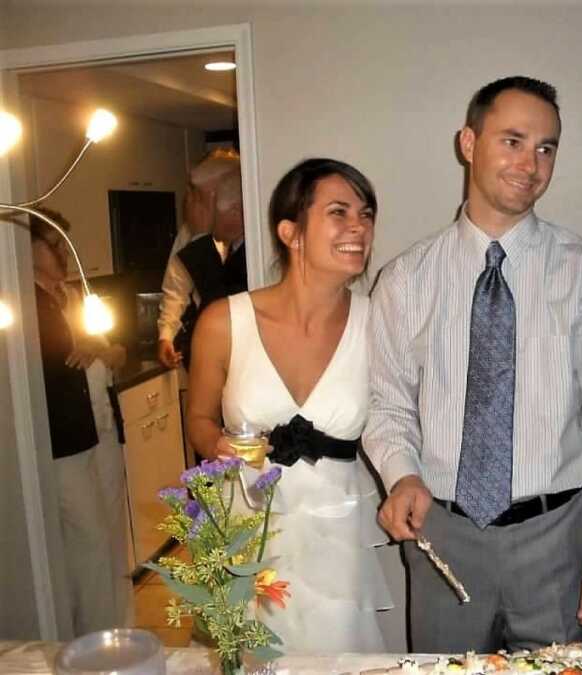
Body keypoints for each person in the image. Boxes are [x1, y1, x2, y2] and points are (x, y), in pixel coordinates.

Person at [364, 76, 582, 653]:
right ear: (468, 143)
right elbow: (387, 403)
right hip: (442, 539)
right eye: (513, 140)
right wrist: (403, 475)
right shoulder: (406, 279)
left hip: (558, 540)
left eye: (546, 148)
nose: (531, 163)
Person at [186, 158, 392, 653]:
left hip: (337, 530)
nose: (358, 227)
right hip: (246, 522)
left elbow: (398, 420)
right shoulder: (223, 320)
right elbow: (197, 419)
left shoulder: (380, 322)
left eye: (365, 215)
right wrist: (217, 444)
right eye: (339, 212)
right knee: (248, 655)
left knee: (337, 654)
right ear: (290, 231)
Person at [30, 210, 132, 634]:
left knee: (112, 536)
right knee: (87, 541)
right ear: (27, 249)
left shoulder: (75, 296)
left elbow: (117, 351)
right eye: (53, 244)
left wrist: (104, 350)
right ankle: (95, 637)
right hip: (65, 440)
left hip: (103, 427)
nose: (63, 253)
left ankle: (123, 628)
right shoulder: (23, 303)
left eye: (62, 243)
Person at [157, 149, 245, 369]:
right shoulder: (191, 235)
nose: (192, 207)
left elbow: (220, 297)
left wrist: (201, 234)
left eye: (200, 199)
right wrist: (166, 335)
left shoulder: (254, 246)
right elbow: (176, 287)